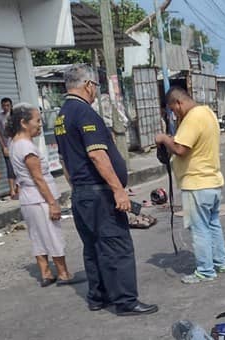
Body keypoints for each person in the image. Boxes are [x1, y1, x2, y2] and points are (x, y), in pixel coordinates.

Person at [54, 64, 157, 316]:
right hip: (98, 192)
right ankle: (125, 301)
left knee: (93, 246)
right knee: (116, 245)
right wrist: (118, 191)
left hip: (81, 192)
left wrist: (77, 187)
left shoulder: (62, 116)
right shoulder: (85, 113)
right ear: (88, 85)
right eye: (95, 87)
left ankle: (98, 297)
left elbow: (64, 160)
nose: (95, 92)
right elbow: (98, 155)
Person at [155, 87, 225, 284]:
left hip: (196, 183)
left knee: (200, 229)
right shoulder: (207, 113)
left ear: (178, 103)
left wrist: (163, 139)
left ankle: (206, 270)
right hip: (212, 182)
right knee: (213, 224)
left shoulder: (193, 118)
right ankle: (220, 262)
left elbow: (180, 149)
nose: (174, 114)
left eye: (173, 109)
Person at [8, 103, 82, 287]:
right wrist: (52, 203)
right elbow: (38, 178)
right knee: (52, 234)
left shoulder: (14, 143)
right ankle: (63, 273)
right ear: (24, 123)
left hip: (27, 197)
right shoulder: (27, 147)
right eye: (37, 121)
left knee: (37, 235)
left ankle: (46, 273)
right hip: (39, 198)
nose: (40, 124)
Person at [0, 97, 18, 200]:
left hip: (17, 144)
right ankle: (12, 190)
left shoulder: (16, 115)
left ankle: (19, 188)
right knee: (10, 167)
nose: (5, 107)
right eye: (3, 105)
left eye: (7, 105)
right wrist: (3, 146)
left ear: (11, 105)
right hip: (7, 145)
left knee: (19, 165)